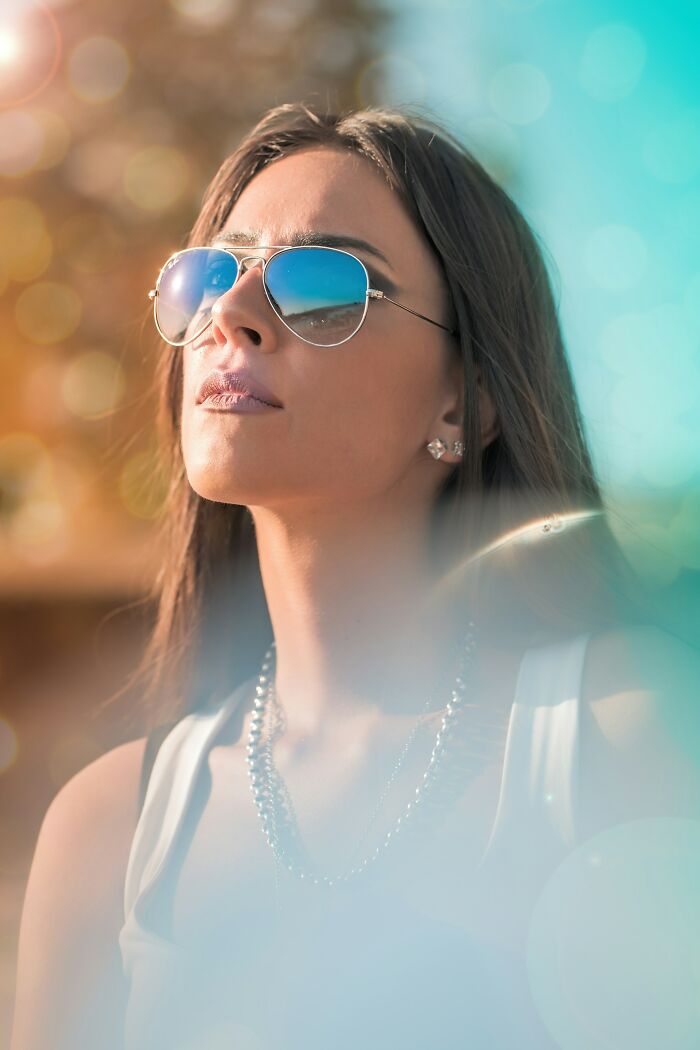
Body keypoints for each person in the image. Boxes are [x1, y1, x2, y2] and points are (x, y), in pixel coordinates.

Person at [10, 101, 700, 1050]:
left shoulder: (630, 743)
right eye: (210, 276)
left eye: (324, 285)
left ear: (468, 400)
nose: (231, 316)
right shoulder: (107, 834)